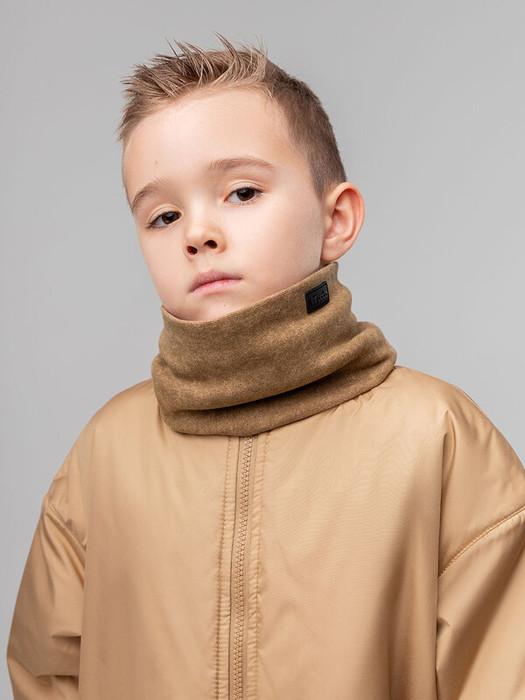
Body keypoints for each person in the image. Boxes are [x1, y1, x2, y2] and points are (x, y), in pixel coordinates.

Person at [6, 32, 525, 699]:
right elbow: (47, 675)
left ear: (336, 219)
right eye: (163, 215)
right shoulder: (103, 454)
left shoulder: (437, 438)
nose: (197, 233)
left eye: (242, 192)